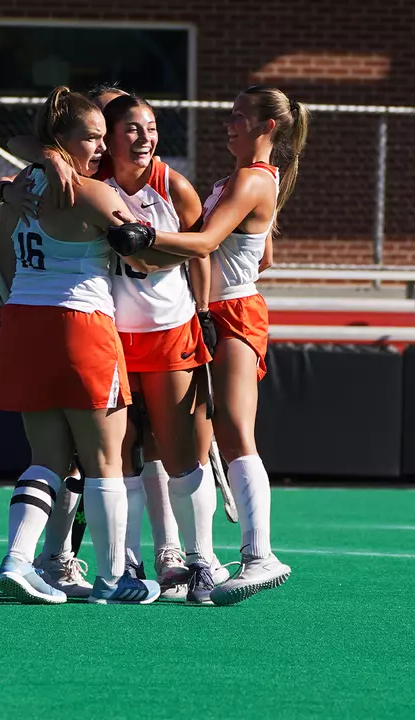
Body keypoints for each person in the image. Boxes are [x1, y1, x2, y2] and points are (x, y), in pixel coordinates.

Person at [107, 85, 310, 605]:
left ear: (268, 127)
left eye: (240, 117)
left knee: (237, 431)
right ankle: (196, 558)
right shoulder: (239, 180)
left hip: (234, 310)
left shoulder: (251, 178)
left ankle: (260, 555)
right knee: (205, 433)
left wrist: (142, 238)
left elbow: (201, 243)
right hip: (214, 308)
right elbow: (265, 254)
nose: (229, 123)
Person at [0, 86, 160, 605]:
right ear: (61, 140)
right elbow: (144, 261)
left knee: (45, 459)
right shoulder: (92, 193)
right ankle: (114, 579)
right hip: (81, 322)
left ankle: (19, 560)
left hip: (22, 322)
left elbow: (3, 262)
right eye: (90, 139)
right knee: (105, 460)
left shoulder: (18, 188)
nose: (101, 150)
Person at [98, 94, 228, 604]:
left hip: (170, 330)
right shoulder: (92, 184)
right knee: (119, 455)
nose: (145, 138)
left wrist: (203, 310)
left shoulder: (174, 186)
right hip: (110, 335)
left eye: (151, 128)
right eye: (132, 128)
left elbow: (200, 252)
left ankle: (201, 562)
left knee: (179, 454)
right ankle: (126, 564)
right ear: (109, 136)